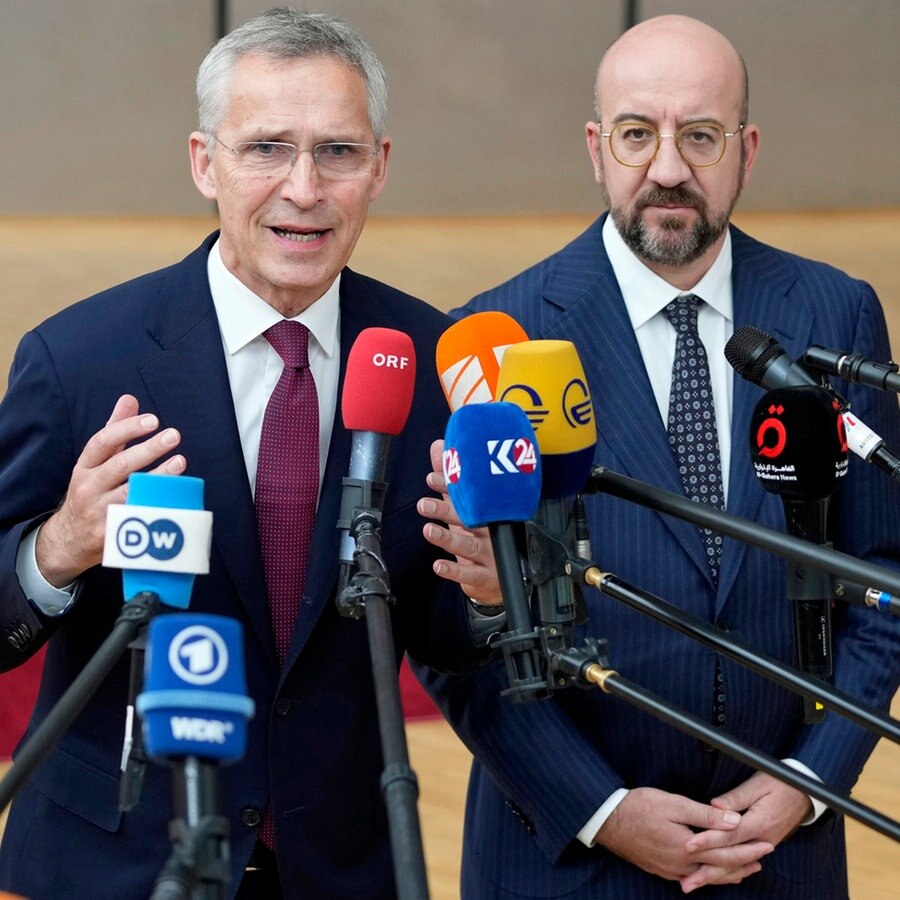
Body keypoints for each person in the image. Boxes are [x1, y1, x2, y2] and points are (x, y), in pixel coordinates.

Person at [0, 9, 485, 899]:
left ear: (378, 168)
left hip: (341, 866)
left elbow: (448, 642)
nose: (303, 187)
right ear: (203, 162)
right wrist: (60, 545)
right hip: (114, 862)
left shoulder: (430, 361)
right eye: (266, 147)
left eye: (337, 152)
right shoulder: (79, 359)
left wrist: (489, 590)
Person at [416, 14, 900, 898]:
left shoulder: (835, 315)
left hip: (780, 857)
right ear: (597, 149)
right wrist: (601, 807)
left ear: (746, 150)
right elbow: (451, 634)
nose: (669, 169)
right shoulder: (492, 336)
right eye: (639, 134)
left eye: (701, 136)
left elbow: (879, 572)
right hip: (566, 857)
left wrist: (814, 778)